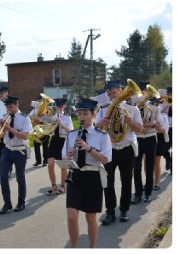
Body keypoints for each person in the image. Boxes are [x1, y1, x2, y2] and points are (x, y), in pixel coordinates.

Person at [63, 98, 111, 248]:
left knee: (90, 218)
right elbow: (63, 157)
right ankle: (74, 248)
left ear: (93, 114)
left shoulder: (102, 135)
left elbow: (106, 159)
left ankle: (91, 248)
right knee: (71, 216)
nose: (82, 117)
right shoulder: (71, 135)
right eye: (79, 114)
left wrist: (88, 148)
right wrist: (69, 156)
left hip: (93, 176)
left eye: (85, 114)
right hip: (75, 175)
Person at [95, 80, 143, 225]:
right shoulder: (103, 109)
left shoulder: (132, 108)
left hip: (126, 149)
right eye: (109, 94)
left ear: (121, 91)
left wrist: (130, 122)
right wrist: (100, 124)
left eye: (114, 93)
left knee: (126, 181)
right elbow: (95, 129)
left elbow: (140, 130)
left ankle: (124, 209)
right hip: (109, 149)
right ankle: (110, 212)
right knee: (108, 183)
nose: (111, 96)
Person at [0, 96, 33, 214]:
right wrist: (1, 130)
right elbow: (2, 135)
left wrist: (9, 128)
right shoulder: (4, 117)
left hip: (20, 150)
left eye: (11, 107)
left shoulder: (24, 118)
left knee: (20, 177)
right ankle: (7, 203)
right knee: (3, 176)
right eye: (7, 107)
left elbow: (24, 136)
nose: (9, 109)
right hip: (7, 149)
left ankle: (21, 202)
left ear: (17, 105)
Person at [133, 92, 160, 204]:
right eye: (141, 92)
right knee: (136, 168)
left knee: (149, 167)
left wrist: (151, 125)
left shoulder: (154, 106)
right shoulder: (134, 106)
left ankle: (148, 193)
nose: (142, 94)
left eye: (144, 92)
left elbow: (158, 124)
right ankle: (138, 194)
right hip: (137, 138)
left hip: (150, 138)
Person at [45, 98, 73, 195]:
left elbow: (70, 131)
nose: (59, 108)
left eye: (61, 106)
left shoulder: (67, 117)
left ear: (64, 107)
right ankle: (53, 185)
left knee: (63, 166)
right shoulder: (52, 116)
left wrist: (61, 123)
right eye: (57, 107)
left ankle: (62, 186)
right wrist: (50, 124)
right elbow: (47, 130)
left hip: (63, 141)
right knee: (50, 164)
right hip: (53, 141)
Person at [29, 97, 50, 167]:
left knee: (45, 146)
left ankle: (45, 161)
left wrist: (41, 119)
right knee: (36, 146)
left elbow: (49, 119)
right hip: (36, 130)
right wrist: (34, 117)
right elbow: (28, 116)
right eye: (39, 101)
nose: (40, 102)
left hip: (45, 129)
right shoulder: (35, 109)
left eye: (41, 101)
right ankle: (38, 161)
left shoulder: (47, 109)